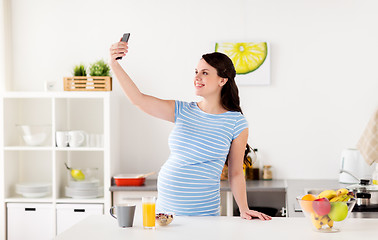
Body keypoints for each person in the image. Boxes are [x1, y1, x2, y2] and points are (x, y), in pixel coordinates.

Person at [109, 39, 272, 221]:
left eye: (204, 73)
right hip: (166, 213)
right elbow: (138, 99)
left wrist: (244, 209)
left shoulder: (236, 122)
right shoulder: (182, 110)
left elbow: (235, 172)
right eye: (196, 72)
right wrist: (114, 64)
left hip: (204, 214)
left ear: (222, 80)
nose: (197, 77)